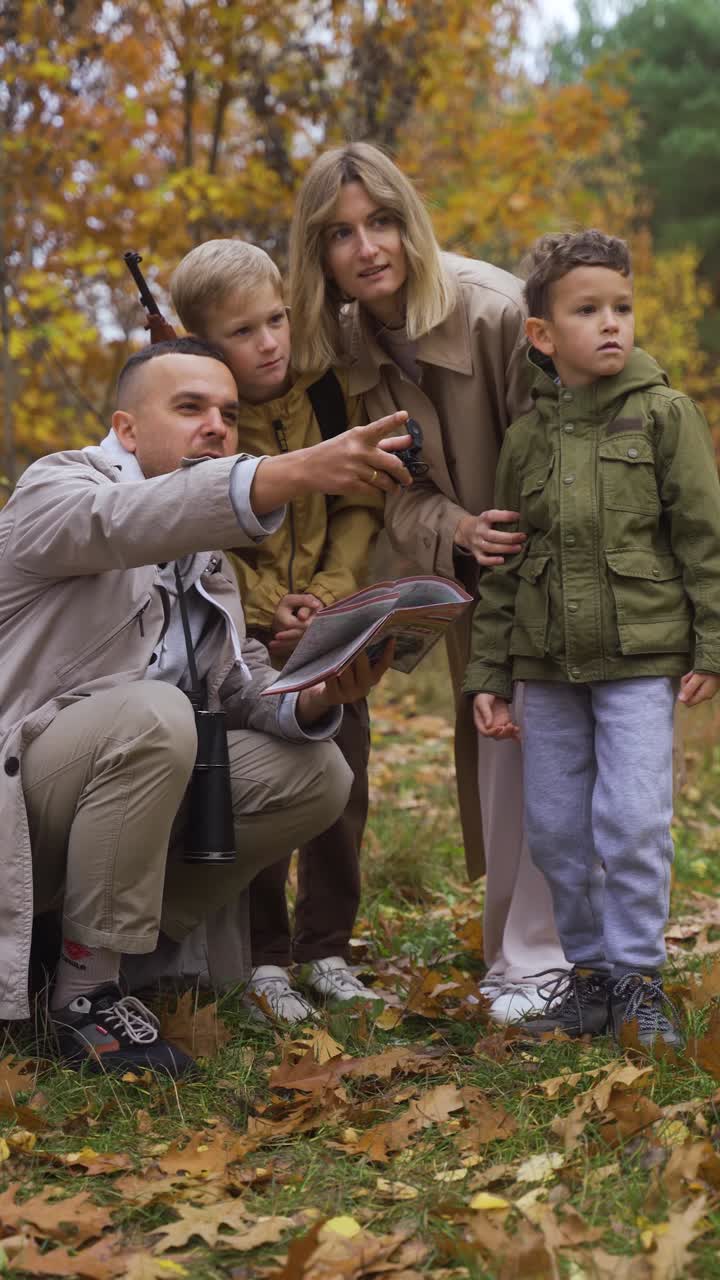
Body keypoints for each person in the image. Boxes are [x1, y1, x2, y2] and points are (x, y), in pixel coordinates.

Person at [0, 337, 411, 1076]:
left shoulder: (208, 558)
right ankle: (86, 1000)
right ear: (126, 429)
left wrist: (319, 694)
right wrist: (291, 472)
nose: (218, 426)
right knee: (154, 714)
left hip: (117, 803)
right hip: (22, 804)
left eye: (227, 412)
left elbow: (236, 686)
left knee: (317, 774)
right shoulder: (55, 488)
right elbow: (122, 524)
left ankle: (105, 955)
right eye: (190, 407)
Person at [288, 141, 568, 1022]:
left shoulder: (495, 314)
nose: (366, 248)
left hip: (554, 564)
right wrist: (455, 527)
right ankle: (514, 957)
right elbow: (392, 491)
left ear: (409, 223)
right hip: (465, 570)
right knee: (491, 745)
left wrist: (513, 532)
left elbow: (565, 450)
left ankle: (558, 956)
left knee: (555, 744)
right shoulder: (339, 345)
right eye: (340, 233)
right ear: (318, 251)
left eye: (381, 223)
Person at [464, 229, 720, 1047]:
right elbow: (505, 564)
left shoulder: (665, 415)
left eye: (622, 307)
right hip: (547, 666)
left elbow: (703, 541)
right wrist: (489, 675)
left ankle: (640, 978)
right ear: (542, 334)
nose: (612, 324)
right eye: (588, 310)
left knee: (634, 822)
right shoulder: (527, 440)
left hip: (640, 663)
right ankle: (589, 976)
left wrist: (712, 645)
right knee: (555, 830)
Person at [170, 240, 387, 1021]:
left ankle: (325, 945)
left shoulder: (326, 397)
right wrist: (269, 608)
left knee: (345, 780)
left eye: (276, 321)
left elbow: (363, 500)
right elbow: (200, 527)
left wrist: (327, 595)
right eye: (242, 331)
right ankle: (263, 956)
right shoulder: (203, 419)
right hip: (244, 638)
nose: (268, 342)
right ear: (199, 342)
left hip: (332, 627)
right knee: (259, 783)